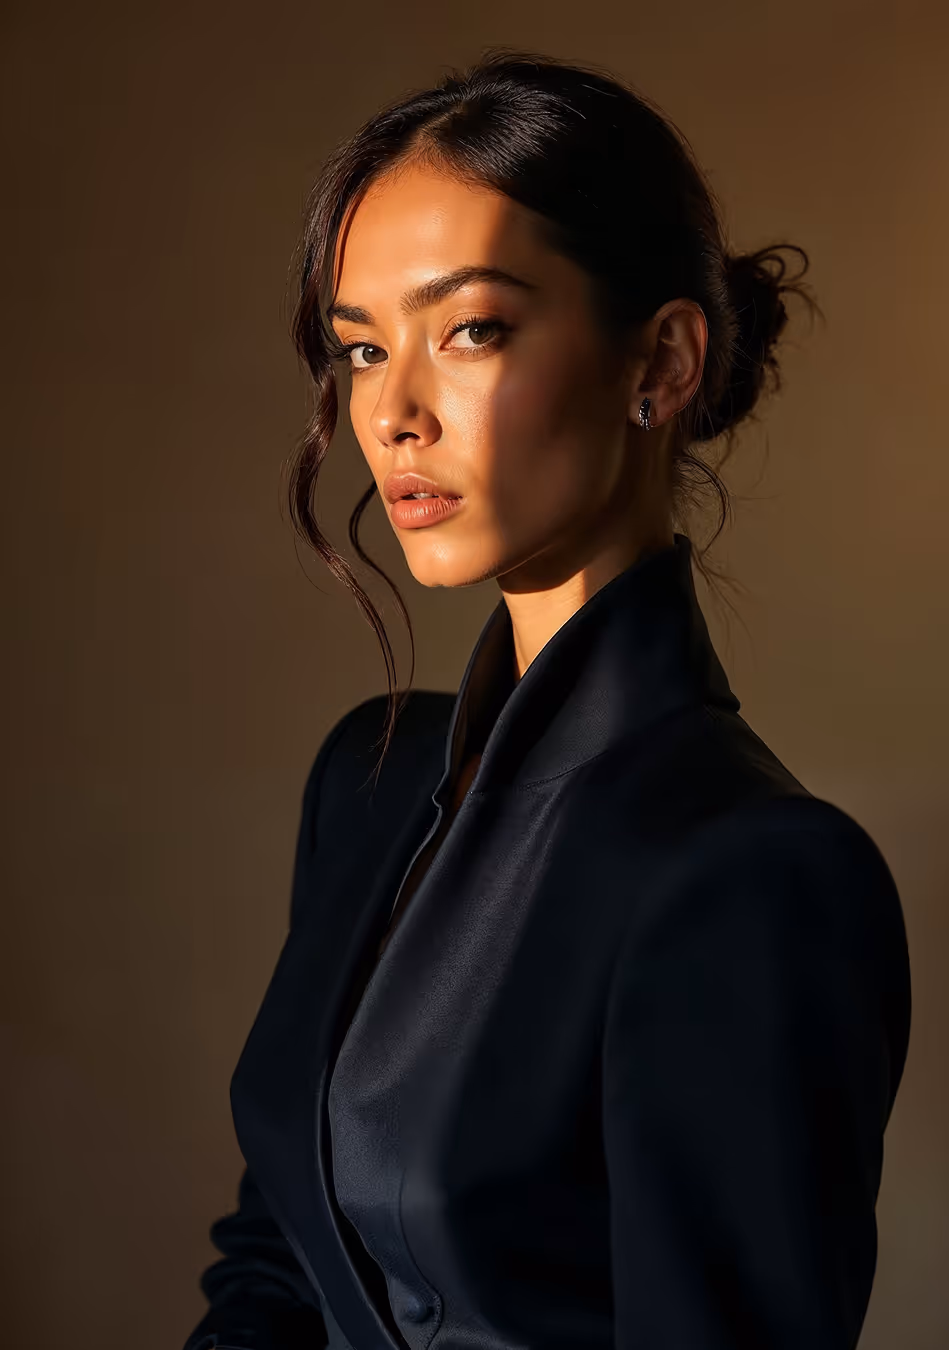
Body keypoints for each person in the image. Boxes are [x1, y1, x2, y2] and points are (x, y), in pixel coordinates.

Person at [184, 49, 911, 1350]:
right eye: (359, 348)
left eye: (469, 329)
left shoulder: (751, 873)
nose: (392, 410)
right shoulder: (369, 778)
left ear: (664, 360)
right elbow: (275, 1258)